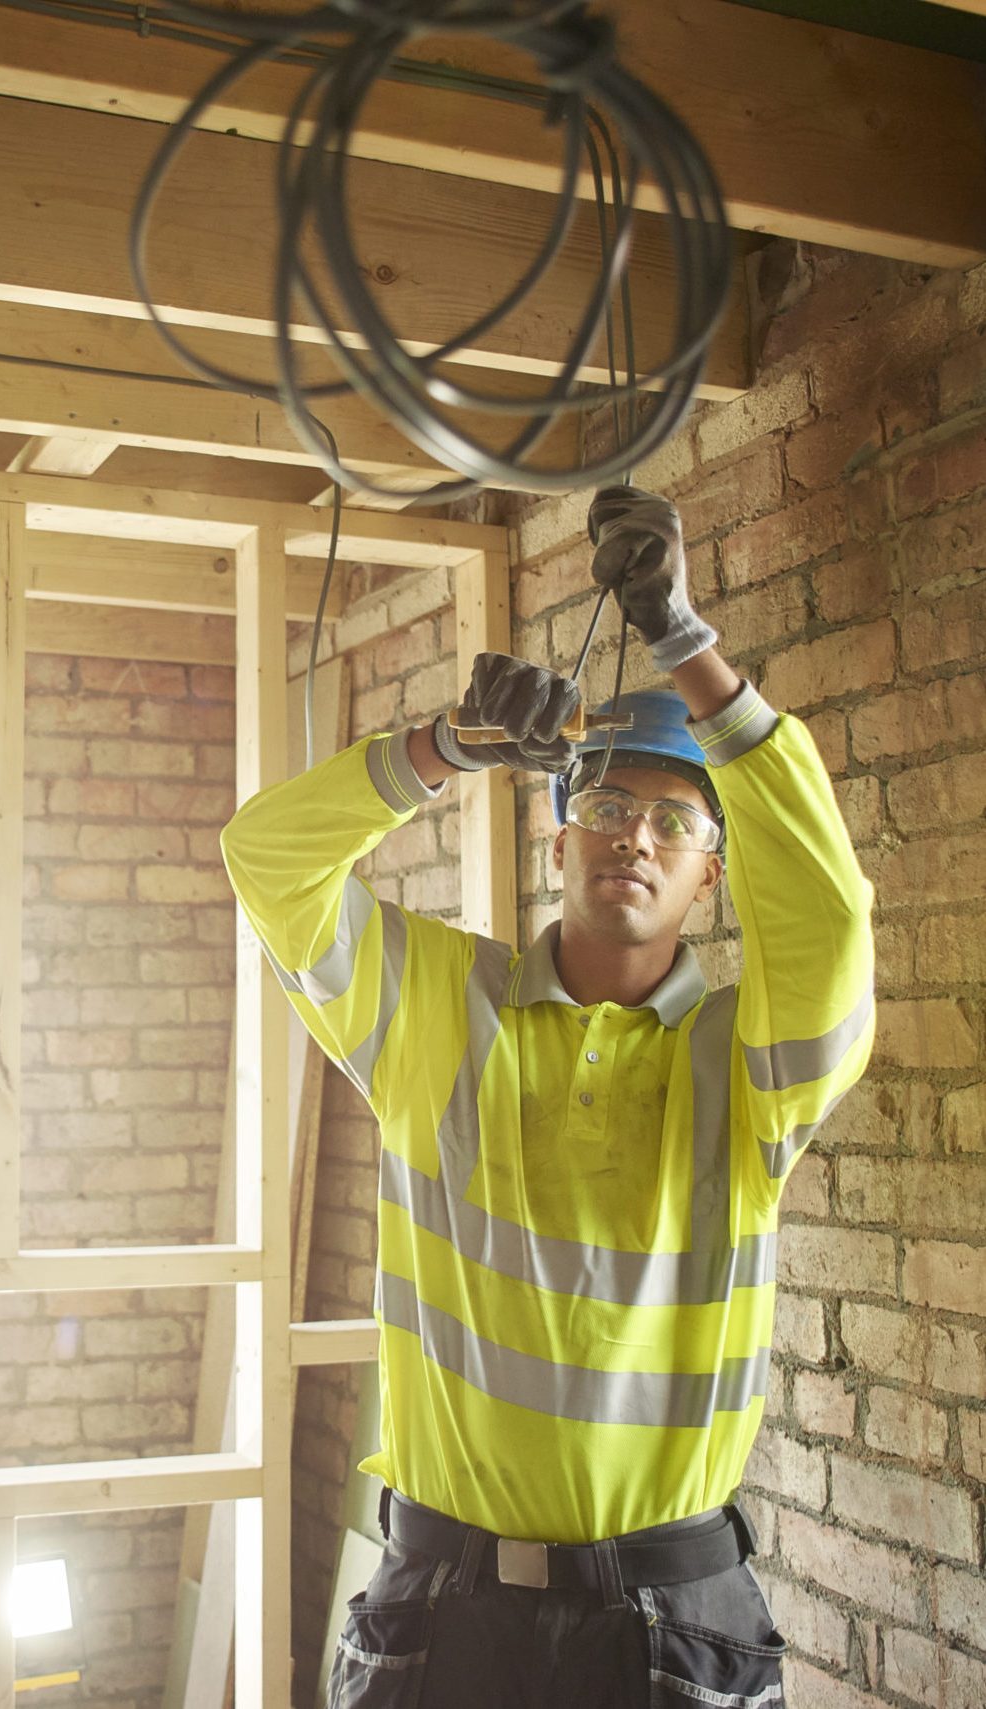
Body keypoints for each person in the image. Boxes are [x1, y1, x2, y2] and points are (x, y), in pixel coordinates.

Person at [221, 487, 875, 1707]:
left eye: (671, 822)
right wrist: (445, 747)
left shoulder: (748, 1066)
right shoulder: (432, 1005)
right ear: (559, 837)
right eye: (608, 807)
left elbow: (829, 914)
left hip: (668, 1618)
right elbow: (264, 858)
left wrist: (683, 638)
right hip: (442, 1604)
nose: (634, 835)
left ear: (706, 876)